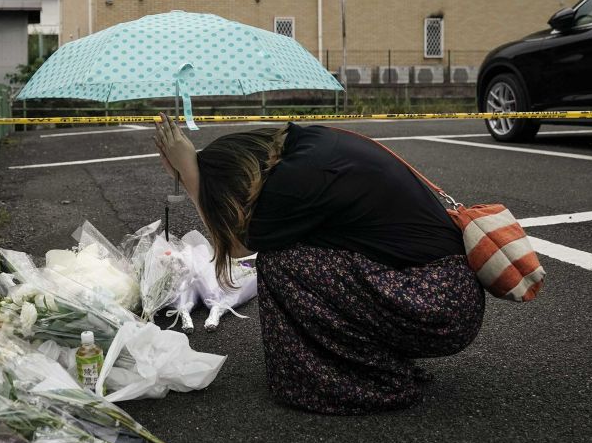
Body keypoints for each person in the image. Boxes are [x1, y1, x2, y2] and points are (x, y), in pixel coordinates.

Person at [153, 114, 483, 414]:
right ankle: (365, 362)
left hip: (440, 304)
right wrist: (189, 171)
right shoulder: (307, 147)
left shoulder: (292, 182)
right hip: (445, 293)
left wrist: (192, 176)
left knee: (281, 262)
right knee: (300, 254)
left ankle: (365, 381)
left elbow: (239, 247)